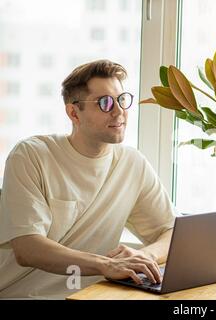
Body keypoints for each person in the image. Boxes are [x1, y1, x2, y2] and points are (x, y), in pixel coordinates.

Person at [0, 60, 177, 299]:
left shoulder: (132, 163)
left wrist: (147, 256)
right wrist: (105, 265)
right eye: (105, 103)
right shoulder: (31, 155)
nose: (119, 111)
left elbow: (171, 231)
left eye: (122, 99)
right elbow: (28, 248)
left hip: (92, 295)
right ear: (74, 113)